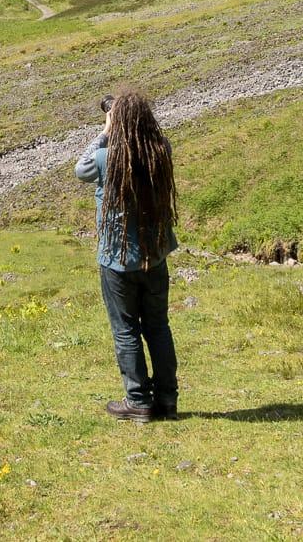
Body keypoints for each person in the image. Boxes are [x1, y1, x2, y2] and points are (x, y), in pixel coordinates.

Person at [74, 88, 179, 422]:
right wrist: (129, 123)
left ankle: (138, 400)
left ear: (116, 122)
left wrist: (106, 131)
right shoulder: (161, 152)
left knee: (126, 330)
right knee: (158, 327)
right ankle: (167, 399)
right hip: (155, 256)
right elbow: (152, 140)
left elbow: (80, 169)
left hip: (117, 260)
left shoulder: (107, 158)